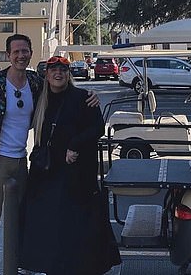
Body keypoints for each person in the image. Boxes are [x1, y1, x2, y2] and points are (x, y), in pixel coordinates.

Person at [0, 35, 99, 275]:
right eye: (16, 51)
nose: (21, 55)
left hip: (21, 161)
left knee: (22, 219)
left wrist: (90, 95)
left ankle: (18, 267)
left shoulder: (35, 82)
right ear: (8, 55)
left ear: (30, 53)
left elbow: (61, 92)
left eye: (25, 51)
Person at [19, 56, 121, 275]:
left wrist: (75, 145)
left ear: (69, 74)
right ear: (46, 74)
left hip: (75, 174)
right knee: (47, 225)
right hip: (45, 172)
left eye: (63, 70)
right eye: (54, 70)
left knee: (74, 225)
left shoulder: (84, 97)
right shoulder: (39, 98)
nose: (58, 74)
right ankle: (48, 267)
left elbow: (97, 128)